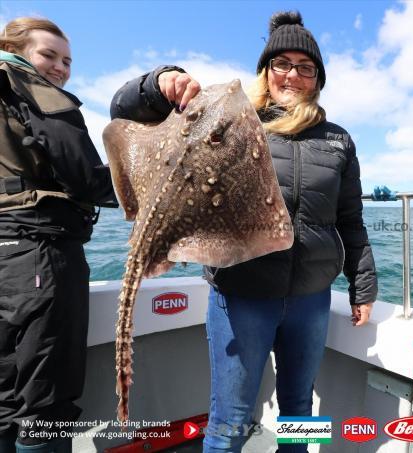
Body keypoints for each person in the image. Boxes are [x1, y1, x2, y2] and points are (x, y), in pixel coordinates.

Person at [110, 10, 378, 453]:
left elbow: (350, 218)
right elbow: (127, 111)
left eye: (305, 67)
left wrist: (362, 286)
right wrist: (160, 82)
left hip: (310, 295)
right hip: (242, 292)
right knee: (231, 416)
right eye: (282, 64)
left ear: (318, 78)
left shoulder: (338, 140)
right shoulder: (232, 119)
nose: (293, 75)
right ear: (266, 70)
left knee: (300, 408)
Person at [0, 17, 117, 453]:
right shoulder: (29, 86)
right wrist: (150, 188)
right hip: (40, 253)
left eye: (67, 60)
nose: (60, 68)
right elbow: (84, 176)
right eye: (48, 54)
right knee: (45, 401)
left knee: (6, 392)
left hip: (6, 251)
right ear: (15, 49)